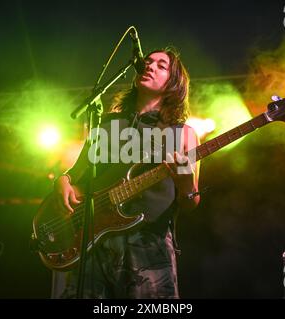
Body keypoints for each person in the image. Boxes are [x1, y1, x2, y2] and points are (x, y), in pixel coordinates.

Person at [54, 47, 200, 298]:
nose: (150, 66)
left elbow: (191, 202)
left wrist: (187, 185)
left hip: (149, 244)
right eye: (148, 61)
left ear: (174, 82)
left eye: (161, 65)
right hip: (94, 241)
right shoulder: (108, 123)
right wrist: (62, 180)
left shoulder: (183, 133)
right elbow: (76, 173)